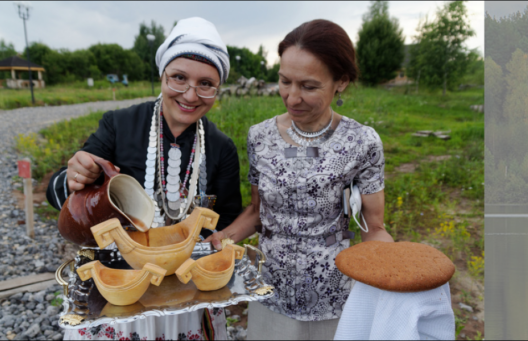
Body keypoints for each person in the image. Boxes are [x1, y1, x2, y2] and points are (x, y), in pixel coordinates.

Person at [45, 17, 241, 340]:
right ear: (162, 76)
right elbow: (61, 194)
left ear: (217, 89)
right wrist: (75, 176)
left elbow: (227, 221)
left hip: (185, 294)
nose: (190, 95)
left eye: (206, 84)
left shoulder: (221, 149)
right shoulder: (119, 126)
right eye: (179, 78)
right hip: (118, 289)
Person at [204, 19, 394, 340]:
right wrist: (220, 240)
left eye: (308, 86)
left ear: (341, 82)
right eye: (284, 81)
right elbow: (256, 211)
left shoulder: (362, 143)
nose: (292, 98)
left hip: (335, 295)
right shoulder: (260, 136)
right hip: (271, 291)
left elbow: (373, 227)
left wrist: (397, 273)